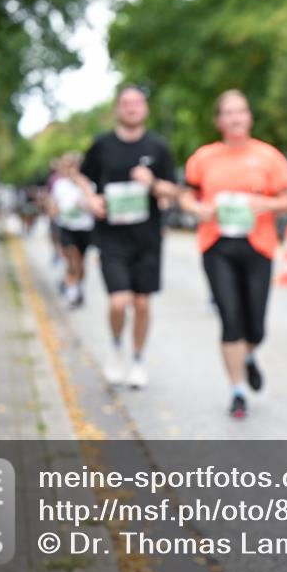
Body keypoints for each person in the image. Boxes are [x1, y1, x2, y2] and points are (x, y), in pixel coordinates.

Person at [179, 90, 287, 419]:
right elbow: (186, 195)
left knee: (256, 327)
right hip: (217, 246)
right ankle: (237, 391)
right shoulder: (204, 157)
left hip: (258, 245)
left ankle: (248, 355)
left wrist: (267, 204)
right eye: (228, 113)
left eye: (240, 111)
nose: (235, 118)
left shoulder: (268, 156)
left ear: (249, 117)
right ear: (218, 120)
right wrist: (197, 209)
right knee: (230, 319)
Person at [79, 85, 179, 389]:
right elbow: (82, 177)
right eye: (126, 103)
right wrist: (90, 200)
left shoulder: (158, 147)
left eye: (137, 103)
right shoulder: (102, 145)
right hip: (111, 237)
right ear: (117, 109)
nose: (132, 108)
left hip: (147, 238)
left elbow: (173, 190)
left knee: (142, 304)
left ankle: (137, 359)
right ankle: (115, 348)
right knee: (119, 302)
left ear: (145, 109)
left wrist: (152, 183)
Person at [49, 153, 95, 309]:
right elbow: (53, 205)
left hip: (85, 228)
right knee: (72, 257)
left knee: (81, 262)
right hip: (66, 227)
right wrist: (55, 212)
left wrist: (82, 185)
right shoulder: (60, 185)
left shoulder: (89, 183)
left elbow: (93, 202)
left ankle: (77, 287)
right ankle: (71, 290)